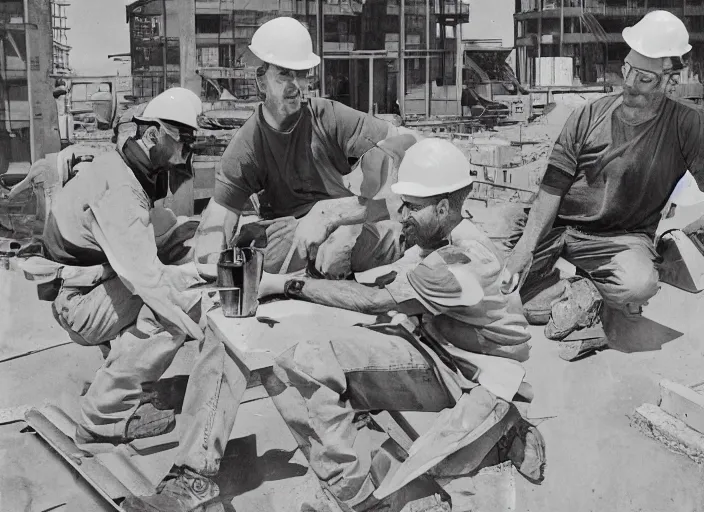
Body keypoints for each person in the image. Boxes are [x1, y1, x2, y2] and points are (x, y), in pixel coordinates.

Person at [257, 138, 544, 512]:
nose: (403, 212)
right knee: (318, 363)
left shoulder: (459, 263)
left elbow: (376, 299)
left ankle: (364, 500)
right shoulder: (444, 238)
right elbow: (386, 283)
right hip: (442, 348)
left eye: (413, 205)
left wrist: (287, 285)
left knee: (302, 364)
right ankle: (373, 480)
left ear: (442, 207)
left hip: (469, 374)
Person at [42, 88, 236, 484]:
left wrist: (196, 260)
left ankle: (123, 379)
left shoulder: (126, 168)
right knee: (174, 312)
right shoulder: (122, 191)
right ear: (152, 135)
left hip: (88, 284)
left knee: (178, 257)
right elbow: (148, 280)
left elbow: (156, 239)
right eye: (182, 139)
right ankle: (103, 416)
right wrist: (204, 291)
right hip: (78, 302)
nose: (187, 149)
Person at [501, 10, 703, 345]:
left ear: (671, 79)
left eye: (645, 78)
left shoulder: (686, 126)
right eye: (627, 69)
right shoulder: (587, 115)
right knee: (509, 295)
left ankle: (585, 290)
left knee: (639, 285)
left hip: (620, 240)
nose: (629, 83)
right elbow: (552, 189)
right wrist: (525, 247)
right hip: (559, 229)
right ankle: (579, 288)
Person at [194, 16, 421, 281]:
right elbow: (220, 216)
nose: (296, 86)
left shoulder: (329, 117)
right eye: (284, 74)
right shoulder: (248, 145)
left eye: (301, 75)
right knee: (257, 248)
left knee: (352, 244)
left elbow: (409, 144)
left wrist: (337, 213)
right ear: (260, 81)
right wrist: (210, 265)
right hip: (295, 240)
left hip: (345, 228)